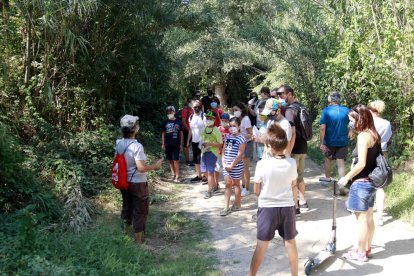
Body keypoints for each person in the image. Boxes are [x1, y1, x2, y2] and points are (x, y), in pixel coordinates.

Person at [249, 123, 298, 276]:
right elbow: (293, 184)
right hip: (287, 207)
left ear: (269, 146)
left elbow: (257, 190)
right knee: (290, 242)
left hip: (267, 208)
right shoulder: (291, 163)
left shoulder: (262, 164)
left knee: (261, 246)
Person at [338, 104, 381, 262]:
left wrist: (346, 177)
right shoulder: (374, 134)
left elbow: (361, 163)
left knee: (361, 219)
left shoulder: (363, 136)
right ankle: (366, 248)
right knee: (369, 217)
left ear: (360, 119)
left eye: (352, 120)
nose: (351, 123)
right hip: (371, 182)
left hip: (361, 183)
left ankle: (361, 252)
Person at [116, 115, 163, 244]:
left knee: (127, 207)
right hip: (138, 183)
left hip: (124, 182)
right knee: (140, 210)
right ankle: (139, 241)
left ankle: (124, 235)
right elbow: (141, 168)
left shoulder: (119, 143)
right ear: (134, 128)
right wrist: (155, 166)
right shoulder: (137, 146)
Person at [277, 85, 308, 216]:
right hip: (303, 147)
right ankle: (303, 201)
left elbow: (292, 133)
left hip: (294, 149)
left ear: (289, 94)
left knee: (292, 179)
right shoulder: (301, 106)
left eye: (281, 94)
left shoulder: (290, 111)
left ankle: (295, 206)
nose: (279, 97)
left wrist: (287, 151)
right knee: (300, 176)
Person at [367, 100, 392, 226]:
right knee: (380, 185)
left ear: (371, 109)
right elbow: (387, 139)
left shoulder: (368, 122)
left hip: (368, 153)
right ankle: (380, 217)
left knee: (366, 181)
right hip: (382, 153)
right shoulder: (386, 123)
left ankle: (366, 211)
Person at [319, 92, 350, 186]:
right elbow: (354, 121)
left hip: (329, 141)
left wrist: (321, 142)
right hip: (343, 141)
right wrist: (351, 132)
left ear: (330, 100)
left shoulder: (326, 111)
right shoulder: (346, 110)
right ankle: (341, 184)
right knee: (340, 162)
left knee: (328, 160)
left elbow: (322, 128)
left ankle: (327, 180)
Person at [220, 117, 247, 216]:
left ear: (239, 126)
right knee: (227, 184)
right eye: (230, 126)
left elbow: (240, 154)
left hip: (236, 166)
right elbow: (223, 150)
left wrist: (232, 165)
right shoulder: (228, 137)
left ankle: (237, 204)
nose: (232, 128)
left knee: (236, 184)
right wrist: (224, 163)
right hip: (226, 165)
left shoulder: (241, 138)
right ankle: (226, 207)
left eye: (234, 126)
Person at [200, 110, 223, 199]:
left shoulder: (216, 130)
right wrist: (202, 144)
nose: (208, 120)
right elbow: (202, 140)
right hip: (204, 151)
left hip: (212, 152)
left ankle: (209, 191)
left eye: (210, 118)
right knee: (204, 171)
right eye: (207, 118)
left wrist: (210, 144)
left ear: (214, 119)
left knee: (210, 172)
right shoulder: (204, 129)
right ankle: (215, 185)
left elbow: (220, 144)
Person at [232, 102, 253, 196]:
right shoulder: (237, 119)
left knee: (245, 168)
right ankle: (243, 185)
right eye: (233, 110)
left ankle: (247, 188)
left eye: (236, 110)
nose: (235, 112)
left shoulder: (246, 119)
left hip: (247, 144)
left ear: (241, 110)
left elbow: (251, 134)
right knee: (240, 167)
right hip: (240, 144)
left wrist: (240, 134)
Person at [162, 106, 183, 182]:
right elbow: (163, 133)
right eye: (168, 113)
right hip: (168, 144)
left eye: (171, 112)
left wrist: (181, 144)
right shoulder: (165, 122)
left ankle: (178, 176)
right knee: (170, 159)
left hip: (176, 144)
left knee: (176, 159)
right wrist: (163, 144)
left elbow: (181, 134)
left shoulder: (179, 122)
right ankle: (173, 174)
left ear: (174, 112)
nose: (169, 114)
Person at [188, 100, 207, 183]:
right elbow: (190, 130)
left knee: (203, 158)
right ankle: (199, 175)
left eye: (198, 106)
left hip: (203, 141)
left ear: (201, 107)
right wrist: (187, 141)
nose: (197, 108)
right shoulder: (191, 117)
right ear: (192, 108)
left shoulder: (204, 115)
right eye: (195, 107)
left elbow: (207, 128)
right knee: (196, 159)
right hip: (194, 141)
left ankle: (205, 176)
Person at [216, 112, 231, 189]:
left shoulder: (231, 129)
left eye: (226, 120)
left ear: (228, 121)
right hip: (219, 151)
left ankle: (229, 183)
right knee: (217, 168)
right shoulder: (218, 129)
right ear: (221, 120)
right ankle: (216, 183)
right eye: (223, 120)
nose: (224, 122)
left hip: (228, 152)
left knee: (228, 168)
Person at [181, 98, 194, 166]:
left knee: (188, 145)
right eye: (192, 102)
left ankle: (190, 160)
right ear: (188, 102)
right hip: (186, 130)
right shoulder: (185, 110)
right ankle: (187, 161)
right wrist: (188, 129)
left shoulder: (191, 110)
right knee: (186, 145)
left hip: (191, 130)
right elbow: (183, 121)